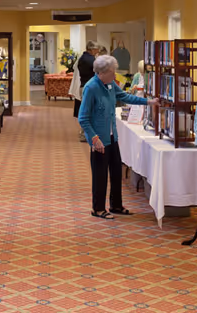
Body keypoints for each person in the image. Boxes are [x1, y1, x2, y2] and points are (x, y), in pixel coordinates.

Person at [78, 55, 160, 220]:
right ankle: (98, 208)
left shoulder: (109, 85)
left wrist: (149, 102)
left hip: (112, 137)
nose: (115, 76)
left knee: (116, 173)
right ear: (102, 72)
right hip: (99, 140)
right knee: (100, 176)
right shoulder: (91, 88)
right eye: (112, 72)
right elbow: (83, 118)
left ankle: (116, 205)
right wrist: (94, 139)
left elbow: (125, 97)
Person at [72, 42, 105, 142]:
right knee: (89, 112)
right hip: (89, 88)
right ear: (91, 49)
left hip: (84, 86)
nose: (98, 51)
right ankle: (85, 134)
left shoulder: (83, 58)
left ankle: (86, 133)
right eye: (96, 49)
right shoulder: (90, 60)